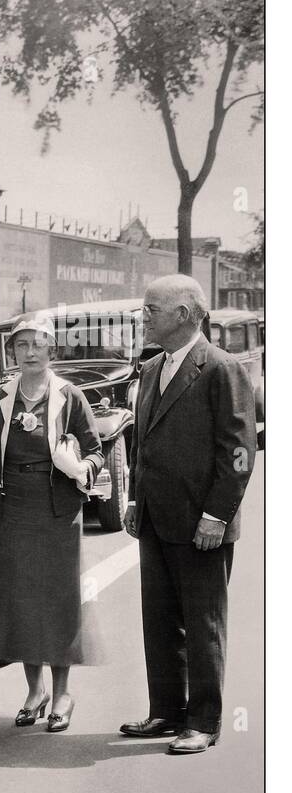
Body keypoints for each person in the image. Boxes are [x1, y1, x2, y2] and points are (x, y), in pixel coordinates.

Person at [121, 275, 257, 754]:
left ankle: (203, 721)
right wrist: (136, 500)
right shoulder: (153, 368)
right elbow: (142, 443)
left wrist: (217, 516)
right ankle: (166, 711)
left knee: (203, 625)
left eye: (151, 309)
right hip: (156, 519)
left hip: (202, 525)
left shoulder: (221, 369)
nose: (144, 317)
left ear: (183, 314)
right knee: (159, 621)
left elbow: (239, 452)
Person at [0, 314, 105, 732]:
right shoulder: (0, 399)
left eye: (37, 344)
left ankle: (63, 692)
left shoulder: (70, 396)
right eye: (21, 346)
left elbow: (96, 451)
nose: (29, 352)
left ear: (52, 349)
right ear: (12, 352)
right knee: (19, 600)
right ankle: (35, 690)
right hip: (12, 511)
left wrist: (79, 466)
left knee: (57, 600)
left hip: (57, 512)